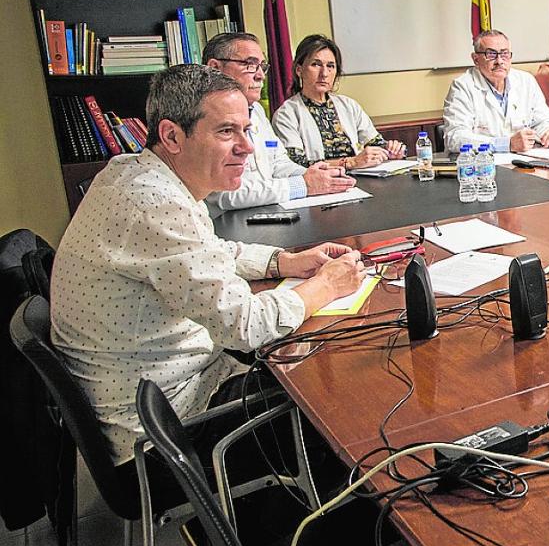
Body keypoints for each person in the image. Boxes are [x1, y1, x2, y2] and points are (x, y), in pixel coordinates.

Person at [50, 64, 366, 465]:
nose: (247, 147)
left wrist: (284, 261)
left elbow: (211, 250)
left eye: (246, 130)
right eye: (225, 132)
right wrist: (327, 286)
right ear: (172, 136)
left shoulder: (135, 173)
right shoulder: (155, 203)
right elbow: (247, 327)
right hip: (164, 433)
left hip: (157, 393)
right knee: (332, 391)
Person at [202, 32, 355, 212]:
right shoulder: (204, 116)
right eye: (250, 65)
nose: (260, 75)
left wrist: (317, 176)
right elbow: (225, 194)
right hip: (228, 223)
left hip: (267, 211)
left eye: (262, 66)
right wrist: (303, 184)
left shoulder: (257, 111)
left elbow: (278, 163)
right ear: (215, 68)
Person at [273, 34, 406, 169]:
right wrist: (351, 162)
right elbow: (295, 164)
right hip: (319, 186)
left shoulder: (348, 105)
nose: (324, 73)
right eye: (316, 64)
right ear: (299, 70)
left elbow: (375, 143)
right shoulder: (286, 114)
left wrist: (390, 150)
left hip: (358, 178)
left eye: (330, 66)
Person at [442, 29, 549, 153]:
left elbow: (543, 121)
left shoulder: (526, 81)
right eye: (491, 54)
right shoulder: (462, 86)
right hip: (481, 166)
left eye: (504, 54)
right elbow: (455, 138)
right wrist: (506, 144)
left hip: (525, 161)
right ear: (476, 59)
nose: (499, 61)